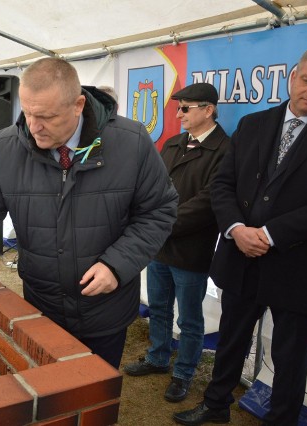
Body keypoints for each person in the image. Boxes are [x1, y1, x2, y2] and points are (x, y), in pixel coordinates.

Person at [0, 58, 178, 369]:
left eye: (47, 117)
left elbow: (159, 210)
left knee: (93, 398)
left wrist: (117, 265)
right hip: (42, 308)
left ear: (78, 105)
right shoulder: (7, 145)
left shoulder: (130, 142)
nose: (34, 127)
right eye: (27, 113)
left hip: (105, 311)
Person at [174, 44, 307, 425]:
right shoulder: (253, 124)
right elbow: (223, 185)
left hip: (300, 268)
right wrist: (235, 229)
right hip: (240, 258)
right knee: (231, 342)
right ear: (293, 77)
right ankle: (216, 407)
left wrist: (268, 233)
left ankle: (280, 420)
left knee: (290, 357)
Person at [123, 83, 229, 402]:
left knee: (189, 319)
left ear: (207, 110)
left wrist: (161, 223)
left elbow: (209, 201)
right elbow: (151, 184)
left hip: (190, 250)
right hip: (160, 246)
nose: (179, 114)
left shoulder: (225, 150)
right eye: (178, 107)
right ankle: (157, 358)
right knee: (158, 307)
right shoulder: (172, 143)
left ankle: (183, 372)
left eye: (185, 108)